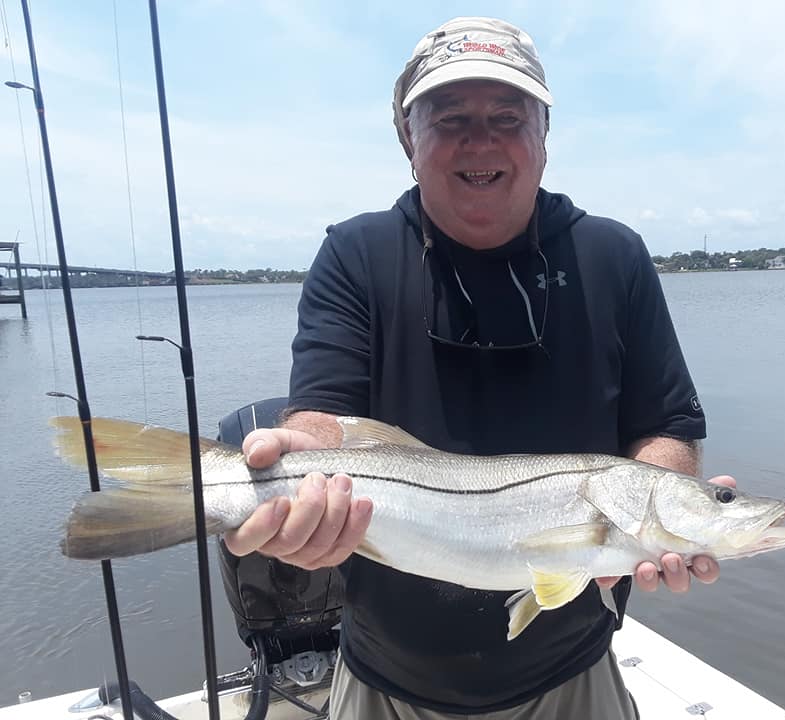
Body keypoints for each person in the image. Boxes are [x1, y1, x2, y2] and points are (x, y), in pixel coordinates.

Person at [225, 16, 734, 719]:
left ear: (544, 136)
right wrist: (302, 467)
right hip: (383, 676)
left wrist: (669, 506)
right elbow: (324, 417)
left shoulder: (612, 257)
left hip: (572, 673)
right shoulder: (355, 255)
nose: (481, 140)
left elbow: (666, 423)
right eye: (450, 116)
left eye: (507, 116)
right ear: (409, 136)